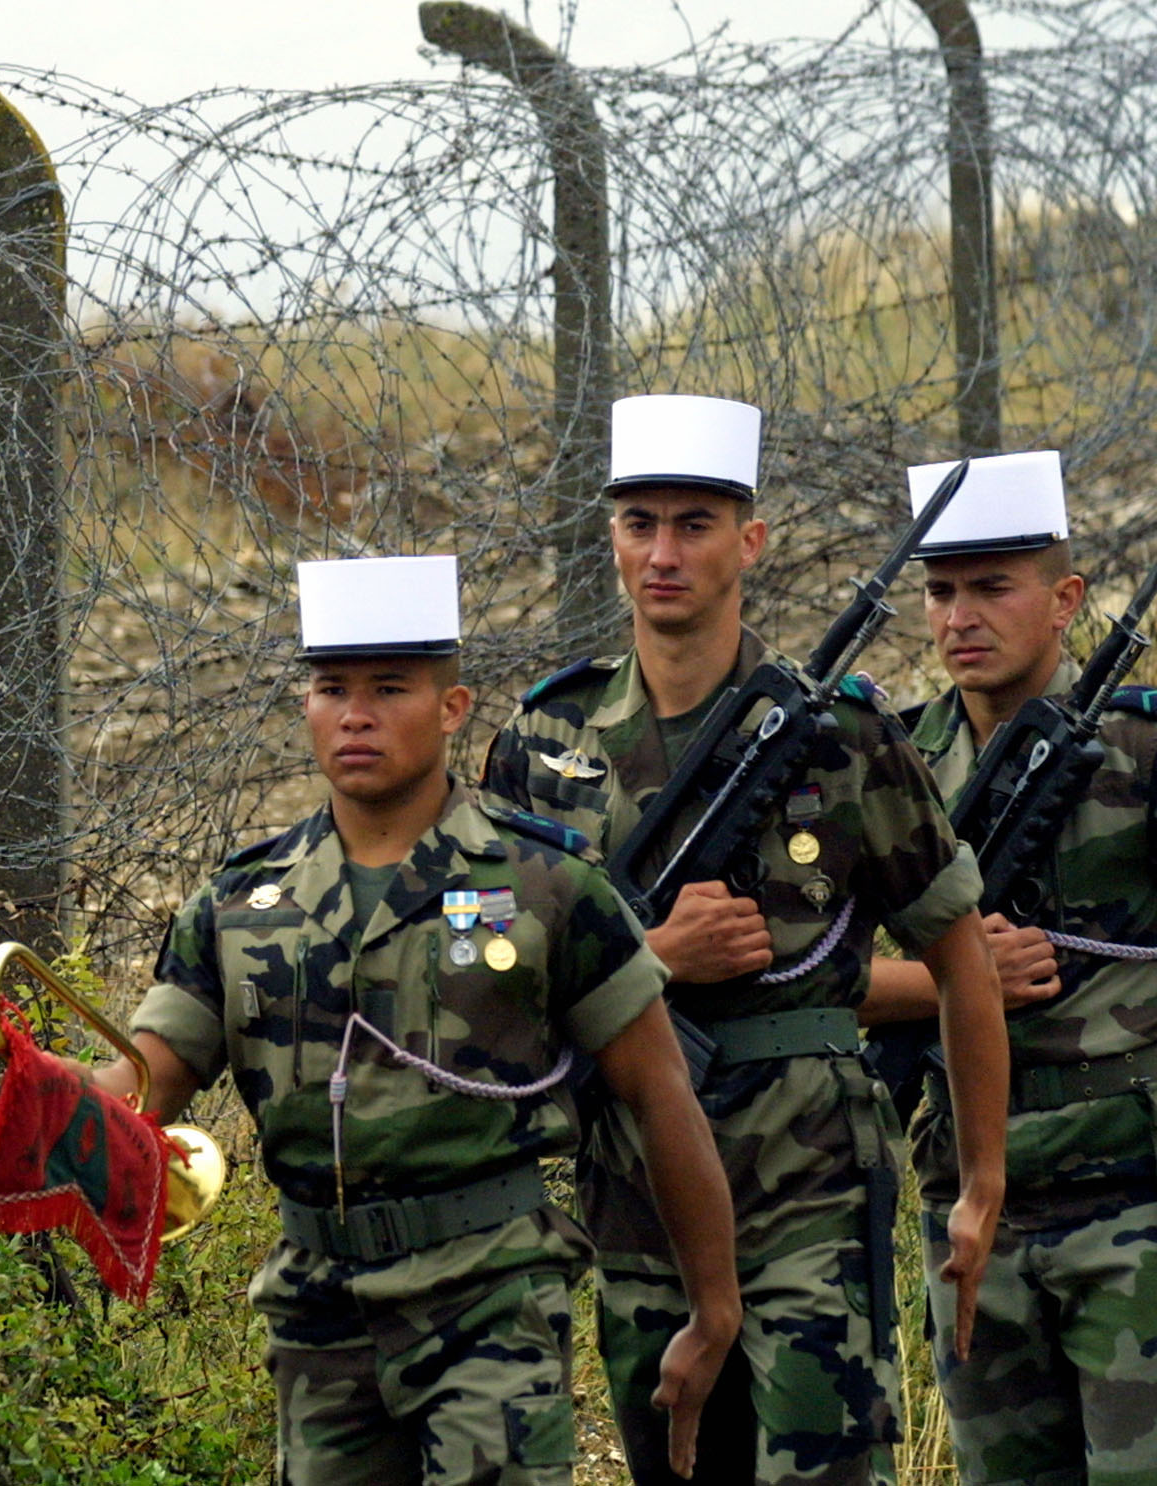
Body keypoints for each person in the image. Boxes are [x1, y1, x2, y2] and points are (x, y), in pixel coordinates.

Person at [80, 554, 739, 1484]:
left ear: (453, 707)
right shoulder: (241, 905)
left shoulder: (545, 882)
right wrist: (47, 1094)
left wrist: (714, 1309)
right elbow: (143, 1081)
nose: (356, 714)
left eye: (390, 688)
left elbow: (660, 1092)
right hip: (319, 1313)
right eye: (331, 689)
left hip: (491, 1299)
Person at [481, 394, 1007, 1485]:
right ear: (611, 538)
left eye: (694, 523)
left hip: (806, 1190)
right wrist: (652, 959)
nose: (661, 552)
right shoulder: (539, 740)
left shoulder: (844, 733)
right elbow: (483, 966)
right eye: (639, 523)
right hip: (636, 1206)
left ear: (748, 540)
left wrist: (978, 1177)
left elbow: (959, 954)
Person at [860, 450, 1157, 1485]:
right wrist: (946, 972)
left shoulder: (1132, 749)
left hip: (1129, 1202)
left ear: (1064, 598)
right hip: (968, 1212)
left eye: (992, 586)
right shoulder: (885, 768)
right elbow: (807, 968)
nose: (958, 617)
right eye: (939, 591)